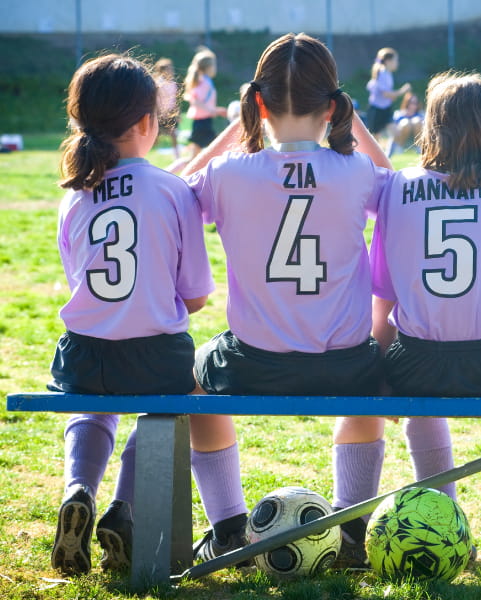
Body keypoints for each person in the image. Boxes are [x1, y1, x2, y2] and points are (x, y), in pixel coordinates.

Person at [334, 72, 481, 569]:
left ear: (432, 128)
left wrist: (380, 375)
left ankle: (445, 509)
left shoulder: (400, 189)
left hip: (419, 365)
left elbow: (384, 304)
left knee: (421, 377)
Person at [181, 32, 393, 561]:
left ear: (258, 102)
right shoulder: (356, 170)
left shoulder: (228, 172)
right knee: (373, 381)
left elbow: (176, 193)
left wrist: (237, 126)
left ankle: (228, 528)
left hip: (253, 361)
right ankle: (352, 530)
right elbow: (399, 188)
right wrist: (352, 119)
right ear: (331, 107)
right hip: (343, 361)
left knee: (190, 378)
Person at [47, 54, 245, 575]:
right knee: (170, 402)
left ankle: (78, 488)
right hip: (154, 353)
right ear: (144, 124)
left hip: (82, 354)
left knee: (94, 405)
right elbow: (197, 296)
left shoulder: (73, 198)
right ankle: (122, 507)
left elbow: (78, 280)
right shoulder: (173, 191)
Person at [184, 47, 227, 161]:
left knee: (195, 156)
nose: (215, 68)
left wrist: (215, 110)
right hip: (202, 123)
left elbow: (202, 102)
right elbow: (195, 100)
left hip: (202, 122)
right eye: (214, 65)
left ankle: (186, 173)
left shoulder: (204, 81)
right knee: (216, 148)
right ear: (208, 67)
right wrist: (211, 111)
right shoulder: (204, 82)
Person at [366, 47, 411, 139]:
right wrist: (402, 91)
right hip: (377, 110)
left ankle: (388, 152)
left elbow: (388, 94)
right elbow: (386, 94)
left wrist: (392, 96)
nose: (397, 63)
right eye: (395, 60)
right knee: (375, 138)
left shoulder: (388, 74)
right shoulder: (382, 73)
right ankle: (378, 153)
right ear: (388, 61)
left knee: (396, 133)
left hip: (386, 109)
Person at [154, 57, 181, 159]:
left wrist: (177, 113)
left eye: (171, 69)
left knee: (173, 134)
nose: (171, 71)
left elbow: (174, 101)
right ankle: (149, 153)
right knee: (155, 138)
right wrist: (159, 112)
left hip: (170, 114)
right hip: (159, 115)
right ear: (162, 71)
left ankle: (177, 156)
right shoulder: (158, 84)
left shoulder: (173, 84)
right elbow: (155, 100)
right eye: (169, 69)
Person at [387, 91, 424, 156]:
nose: (413, 105)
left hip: (414, 140)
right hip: (401, 140)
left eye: (415, 103)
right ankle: (399, 147)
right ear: (406, 103)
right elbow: (393, 130)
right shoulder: (399, 114)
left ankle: (419, 148)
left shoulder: (420, 115)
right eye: (410, 103)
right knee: (405, 123)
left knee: (417, 121)